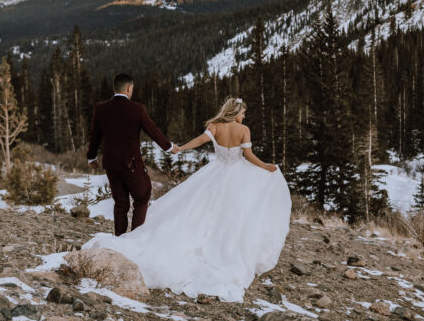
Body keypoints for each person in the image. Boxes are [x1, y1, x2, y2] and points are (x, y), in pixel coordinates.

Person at [84, 96, 291, 302]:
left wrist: (180, 148)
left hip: (215, 173)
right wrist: (266, 167)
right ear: (236, 113)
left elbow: (200, 141)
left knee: (199, 210)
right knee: (233, 215)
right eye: (243, 112)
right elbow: (249, 157)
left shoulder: (214, 126)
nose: (244, 116)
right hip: (235, 176)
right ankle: (226, 249)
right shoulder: (243, 130)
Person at [87, 73, 179, 236]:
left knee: (121, 204)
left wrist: (91, 157)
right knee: (142, 196)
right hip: (131, 164)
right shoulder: (137, 109)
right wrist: (168, 146)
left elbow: (95, 136)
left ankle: (120, 239)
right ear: (129, 88)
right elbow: (152, 131)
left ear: (115, 88)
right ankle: (136, 239)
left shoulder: (101, 109)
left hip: (111, 164)